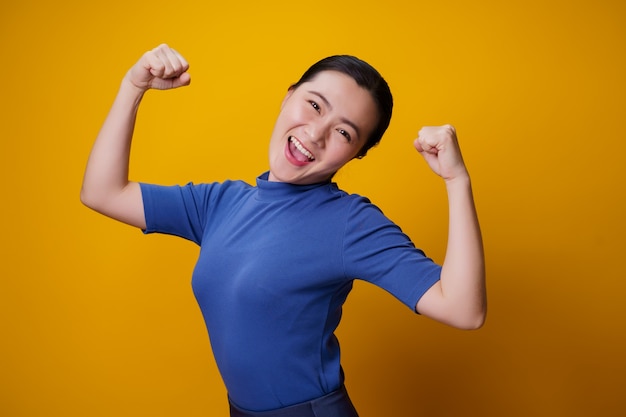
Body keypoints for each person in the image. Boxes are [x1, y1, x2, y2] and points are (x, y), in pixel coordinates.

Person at [81, 44, 486, 417]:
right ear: (288, 95)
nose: (315, 133)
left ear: (356, 154)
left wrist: (456, 180)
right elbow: (103, 192)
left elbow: (464, 309)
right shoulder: (219, 203)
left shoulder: (350, 223)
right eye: (313, 105)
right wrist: (133, 86)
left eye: (344, 132)